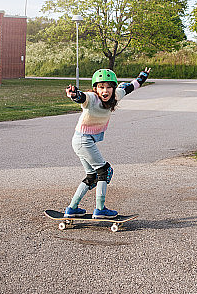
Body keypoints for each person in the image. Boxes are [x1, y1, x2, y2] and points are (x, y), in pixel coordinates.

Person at [64, 67, 150, 219]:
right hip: (83, 140)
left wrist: (142, 77)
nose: (105, 91)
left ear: (113, 88)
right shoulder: (92, 98)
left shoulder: (116, 95)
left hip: (82, 141)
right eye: (101, 87)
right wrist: (74, 94)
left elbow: (130, 86)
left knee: (92, 176)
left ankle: (72, 208)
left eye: (109, 87)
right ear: (95, 88)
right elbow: (81, 97)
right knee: (105, 171)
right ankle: (100, 209)